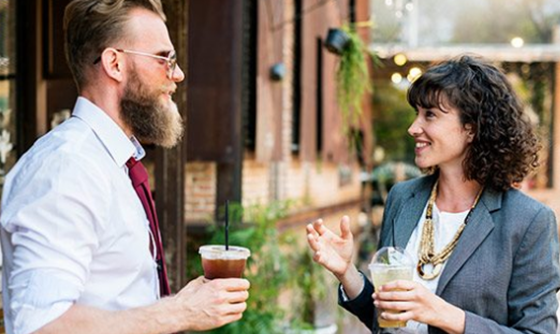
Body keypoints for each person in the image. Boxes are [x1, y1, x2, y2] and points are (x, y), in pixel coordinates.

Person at [0, 1, 250, 334]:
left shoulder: (112, 163)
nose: (178, 74)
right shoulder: (66, 168)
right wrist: (179, 312)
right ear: (114, 64)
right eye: (165, 58)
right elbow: (41, 327)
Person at [307, 55, 560, 334]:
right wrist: (346, 271)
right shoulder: (402, 198)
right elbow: (387, 319)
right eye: (417, 113)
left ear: (472, 128)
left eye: (430, 115)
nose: (413, 128)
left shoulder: (529, 221)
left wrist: (445, 315)